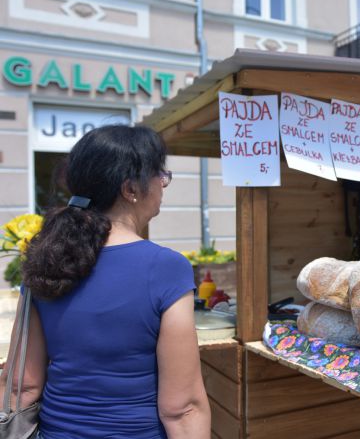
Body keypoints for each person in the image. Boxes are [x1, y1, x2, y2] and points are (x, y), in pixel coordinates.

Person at [0, 125, 210, 438]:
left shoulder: (47, 259)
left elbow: (21, 386)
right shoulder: (166, 268)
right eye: (160, 174)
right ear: (130, 188)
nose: (163, 184)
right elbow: (182, 408)